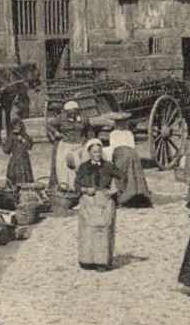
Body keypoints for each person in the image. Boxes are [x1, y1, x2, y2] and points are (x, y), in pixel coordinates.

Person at [74, 140, 118, 270]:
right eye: (94, 152)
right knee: (88, 230)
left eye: (99, 152)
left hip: (104, 201)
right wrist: (85, 190)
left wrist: (113, 190)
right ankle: (87, 260)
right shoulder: (83, 167)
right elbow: (76, 185)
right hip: (88, 202)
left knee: (103, 231)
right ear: (89, 153)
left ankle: (101, 262)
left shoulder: (108, 166)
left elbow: (122, 178)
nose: (97, 154)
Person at [106, 113, 152, 207]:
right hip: (133, 155)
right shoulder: (129, 133)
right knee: (135, 174)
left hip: (122, 154)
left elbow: (114, 148)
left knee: (119, 174)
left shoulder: (113, 134)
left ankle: (123, 198)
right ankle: (138, 193)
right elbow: (132, 146)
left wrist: (110, 159)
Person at [48, 100, 85, 197]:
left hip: (78, 145)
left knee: (77, 166)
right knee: (64, 166)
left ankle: (76, 188)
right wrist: (56, 133)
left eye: (74, 112)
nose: (72, 114)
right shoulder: (61, 118)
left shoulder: (83, 118)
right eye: (70, 112)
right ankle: (65, 188)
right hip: (65, 144)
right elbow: (50, 124)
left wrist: (87, 141)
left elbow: (88, 129)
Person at [2, 116, 34, 187]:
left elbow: (29, 146)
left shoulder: (24, 136)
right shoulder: (11, 137)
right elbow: (6, 150)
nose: (16, 130)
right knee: (15, 179)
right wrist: (5, 143)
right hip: (15, 160)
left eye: (18, 128)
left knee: (25, 178)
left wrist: (23, 140)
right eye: (15, 128)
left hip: (24, 159)